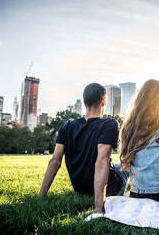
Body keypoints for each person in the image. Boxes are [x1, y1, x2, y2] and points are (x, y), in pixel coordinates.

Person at [39, 83, 128, 213]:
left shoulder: (66, 125)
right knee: (125, 165)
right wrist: (98, 208)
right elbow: (102, 161)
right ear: (103, 102)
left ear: (84, 102)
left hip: (79, 188)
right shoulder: (109, 124)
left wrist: (41, 196)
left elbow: (55, 161)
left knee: (116, 165)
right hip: (110, 188)